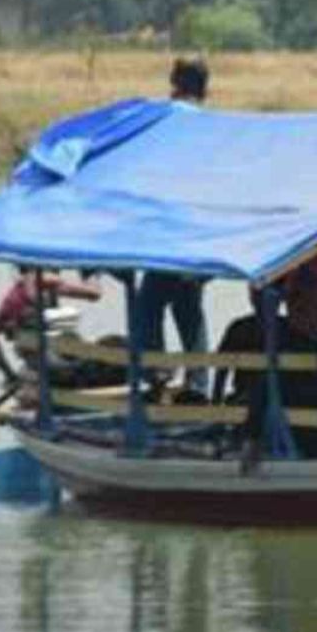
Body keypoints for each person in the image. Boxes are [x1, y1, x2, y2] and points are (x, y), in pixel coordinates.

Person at [137, 58, 212, 395]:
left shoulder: (171, 117)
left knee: (148, 305)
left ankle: (158, 375)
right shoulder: (212, 123)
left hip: (175, 235)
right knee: (188, 306)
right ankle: (197, 383)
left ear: (175, 83)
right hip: (198, 233)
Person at [238, 278, 317, 459]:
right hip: (296, 433)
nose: (312, 315)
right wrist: (252, 438)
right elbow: (263, 390)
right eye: (302, 309)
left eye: (316, 308)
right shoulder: (281, 346)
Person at [0, 269, 102, 387]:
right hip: (59, 370)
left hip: (42, 366)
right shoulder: (43, 279)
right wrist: (91, 274)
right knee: (100, 362)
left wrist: (9, 375)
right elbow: (94, 294)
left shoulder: (13, 297)